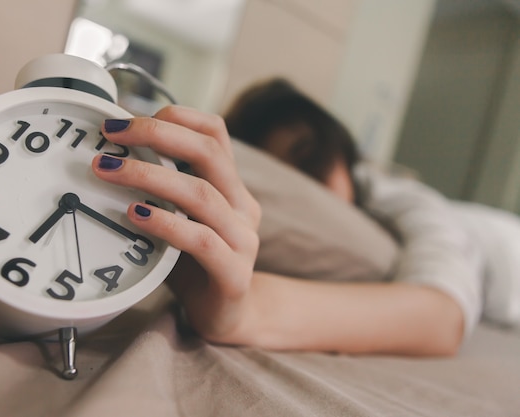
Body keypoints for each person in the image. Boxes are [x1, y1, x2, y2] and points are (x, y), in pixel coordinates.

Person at [90, 79, 519, 356]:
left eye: (310, 157)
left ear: (342, 147)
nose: (311, 186)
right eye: (293, 177)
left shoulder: (405, 199)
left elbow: (443, 316)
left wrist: (247, 312)